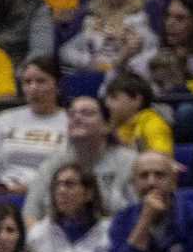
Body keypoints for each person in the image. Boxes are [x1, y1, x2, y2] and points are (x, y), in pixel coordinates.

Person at [24, 96, 134, 225]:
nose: (77, 118)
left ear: (107, 126)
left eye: (87, 113)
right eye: (71, 114)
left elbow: (138, 214)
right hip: (55, 239)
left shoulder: (130, 162)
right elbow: (30, 214)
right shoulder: (53, 162)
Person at [26, 156, 112, 252]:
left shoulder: (108, 231)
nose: (61, 191)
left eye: (69, 184)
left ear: (88, 193)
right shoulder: (39, 233)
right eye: (57, 185)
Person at [0, 54, 69, 190]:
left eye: (41, 81)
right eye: (27, 82)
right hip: (5, 195)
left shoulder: (71, 121)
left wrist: (30, 188)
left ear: (57, 85)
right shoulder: (5, 119)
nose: (33, 88)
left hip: (52, 195)